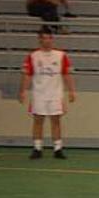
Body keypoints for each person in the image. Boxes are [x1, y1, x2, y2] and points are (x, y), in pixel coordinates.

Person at [18, 26, 76, 159]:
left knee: (56, 121)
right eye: (44, 38)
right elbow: (27, 75)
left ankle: (58, 148)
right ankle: (37, 148)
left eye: (49, 38)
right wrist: (23, 91)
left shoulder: (60, 55)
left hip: (56, 94)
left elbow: (66, 74)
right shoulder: (33, 56)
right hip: (39, 94)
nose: (47, 41)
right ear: (39, 40)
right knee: (38, 120)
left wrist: (72, 91)